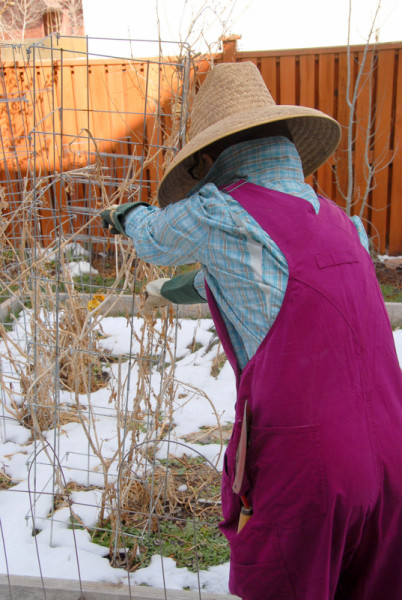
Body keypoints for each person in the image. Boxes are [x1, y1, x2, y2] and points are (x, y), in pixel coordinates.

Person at [101, 62, 402, 600]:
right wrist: (173, 292)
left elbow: (154, 240)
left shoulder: (221, 211)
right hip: (390, 456)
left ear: (213, 156)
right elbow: (261, 279)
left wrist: (126, 214)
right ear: (284, 143)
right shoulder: (340, 223)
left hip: (312, 464)